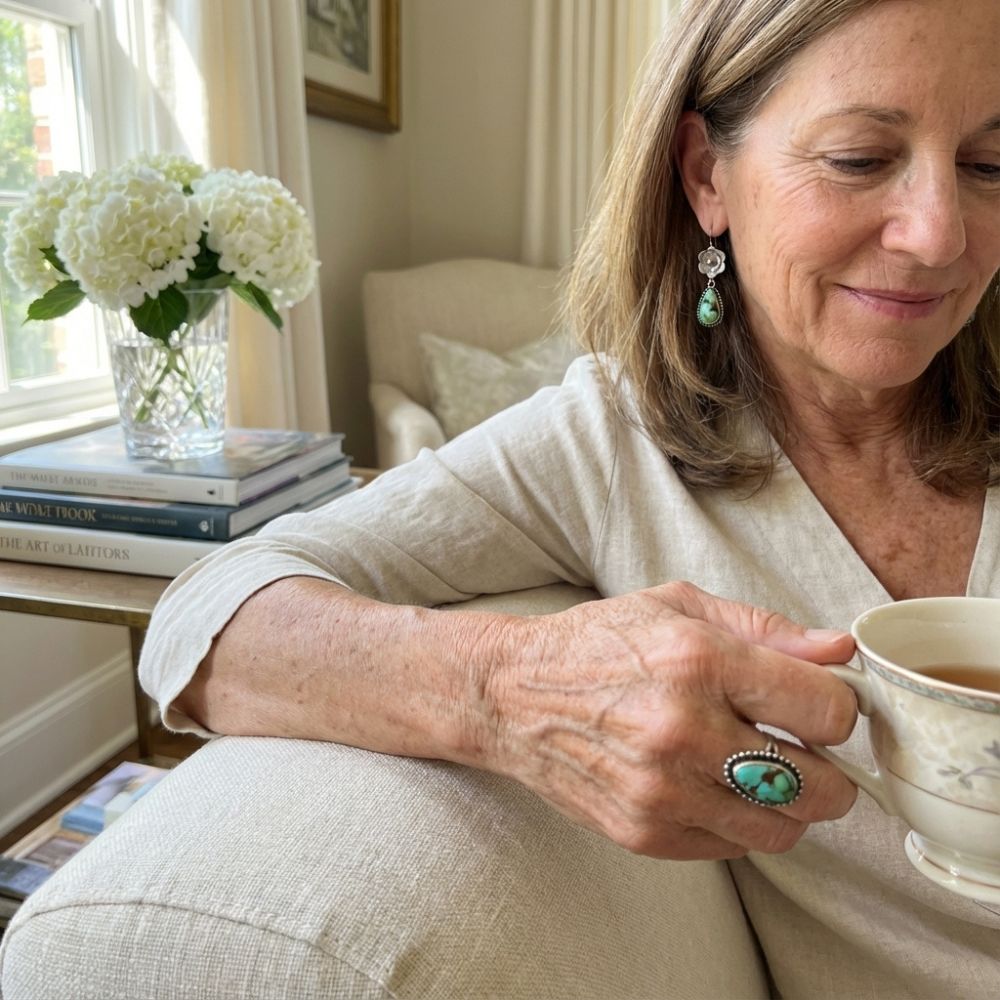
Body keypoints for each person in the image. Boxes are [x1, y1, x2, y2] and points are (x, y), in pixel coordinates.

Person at [138, 0, 1000, 995]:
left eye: (990, 166)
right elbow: (204, 618)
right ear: (705, 175)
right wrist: (513, 689)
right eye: (856, 157)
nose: (939, 234)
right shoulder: (610, 444)